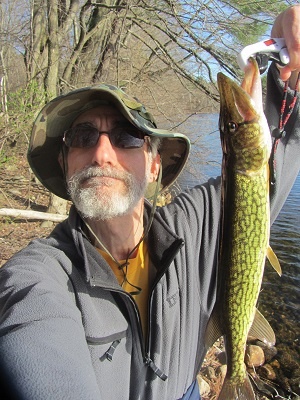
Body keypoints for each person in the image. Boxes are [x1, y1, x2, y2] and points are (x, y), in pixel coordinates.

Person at [0, 5, 300, 400]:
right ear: (64, 161)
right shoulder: (39, 277)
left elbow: (277, 149)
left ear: (155, 165)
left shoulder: (199, 223)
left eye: (125, 136)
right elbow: (40, 354)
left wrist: (286, 75)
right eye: (83, 137)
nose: (102, 154)